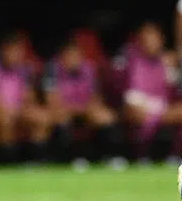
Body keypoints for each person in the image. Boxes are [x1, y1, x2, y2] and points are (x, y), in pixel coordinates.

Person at [118, 22, 182, 162]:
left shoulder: (168, 62)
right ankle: (140, 156)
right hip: (140, 108)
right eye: (148, 38)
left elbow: (180, 89)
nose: (152, 43)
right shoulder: (132, 63)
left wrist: (175, 67)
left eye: (155, 38)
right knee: (137, 113)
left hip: (165, 108)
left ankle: (176, 155)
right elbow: (130, 99)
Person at [44, 38, 123, 167]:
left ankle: (110, 156)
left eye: (76, 55)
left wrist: (87, 109)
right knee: (61, 117)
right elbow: (52, 100)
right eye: (69, 55)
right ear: (62, 57)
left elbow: (96, 97)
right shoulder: (52, 69)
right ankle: (70, 158)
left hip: (86, 109)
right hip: (64, 110)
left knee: (105, 116)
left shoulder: (89, 69)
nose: (73, 59)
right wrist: (76, 109)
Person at [0, 31, 50, 165]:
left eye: (19, 51)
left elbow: (29, 97)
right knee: (4, 118)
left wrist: (23, 109)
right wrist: (7, 110)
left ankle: (35, 159)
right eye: (13, 51)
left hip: (18, 110)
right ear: (3, 51)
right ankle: (7, 160)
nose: (16, 55)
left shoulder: (25, 70)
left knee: (42, 117)